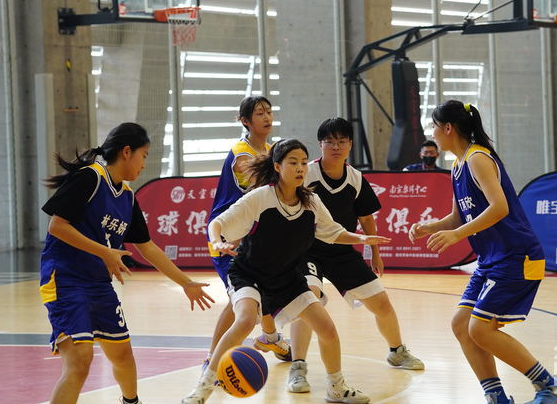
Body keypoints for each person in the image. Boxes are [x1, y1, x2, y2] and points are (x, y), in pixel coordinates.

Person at [182, 139, 390, 404]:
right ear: (278, 166)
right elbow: (218, 223)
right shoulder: (260, 197)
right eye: (293, 162)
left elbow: (333, 232)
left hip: (287, 278)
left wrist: (361, 239)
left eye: (303, 162)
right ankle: (202, 389)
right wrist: (217, 241)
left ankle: (336, 388)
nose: (301, 168)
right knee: (245, 320)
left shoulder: (311, 201)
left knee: (327, 329)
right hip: (249, 275)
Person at [408, 101, 557, 404]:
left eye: (434, 126)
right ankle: (496, 397)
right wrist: (429, 227)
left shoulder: (478, 159)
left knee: (481, 329)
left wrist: (457, 235)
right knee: (462, 326)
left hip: (517, 256)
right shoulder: (458, 166)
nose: (432, 133)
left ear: (448, 128)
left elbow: (500, 208)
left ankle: (552, 387)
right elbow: (458, 217)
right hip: (491, 260)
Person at [39, 122, 214, 404]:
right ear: (126, 152)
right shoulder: (90, 178)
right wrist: (105, 252)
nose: (144, 164)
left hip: (98, 284)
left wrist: (186, 283)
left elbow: (148, 247)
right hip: (65, 281)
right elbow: (57, 226)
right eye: (144, 156)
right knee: (80, 361)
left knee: (122, 354)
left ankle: (131, 402)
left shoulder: (128, 197)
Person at [286, 118, 424, 394]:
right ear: (320, 145)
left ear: (350, 144)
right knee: (308, 300)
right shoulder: (306, 174)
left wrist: (375, 253)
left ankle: (396, 351)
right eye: (330, 142)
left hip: (342, 250)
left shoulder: (356, 179)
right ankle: (297, 367)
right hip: (307, 251)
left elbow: (366, 219)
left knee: (382, 303)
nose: (336, 147)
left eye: (342, 141)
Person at [204, 96, 291, 370]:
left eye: (269, 111)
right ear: (245, 121)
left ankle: (270, 337)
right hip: (229, 235)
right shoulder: (243, 155)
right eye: (260, 113)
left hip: (252, 233)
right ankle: (211, 359)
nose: (267, 117)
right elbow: (263, 192)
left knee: (263, 288)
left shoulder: (271, 150)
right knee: (240, 301)